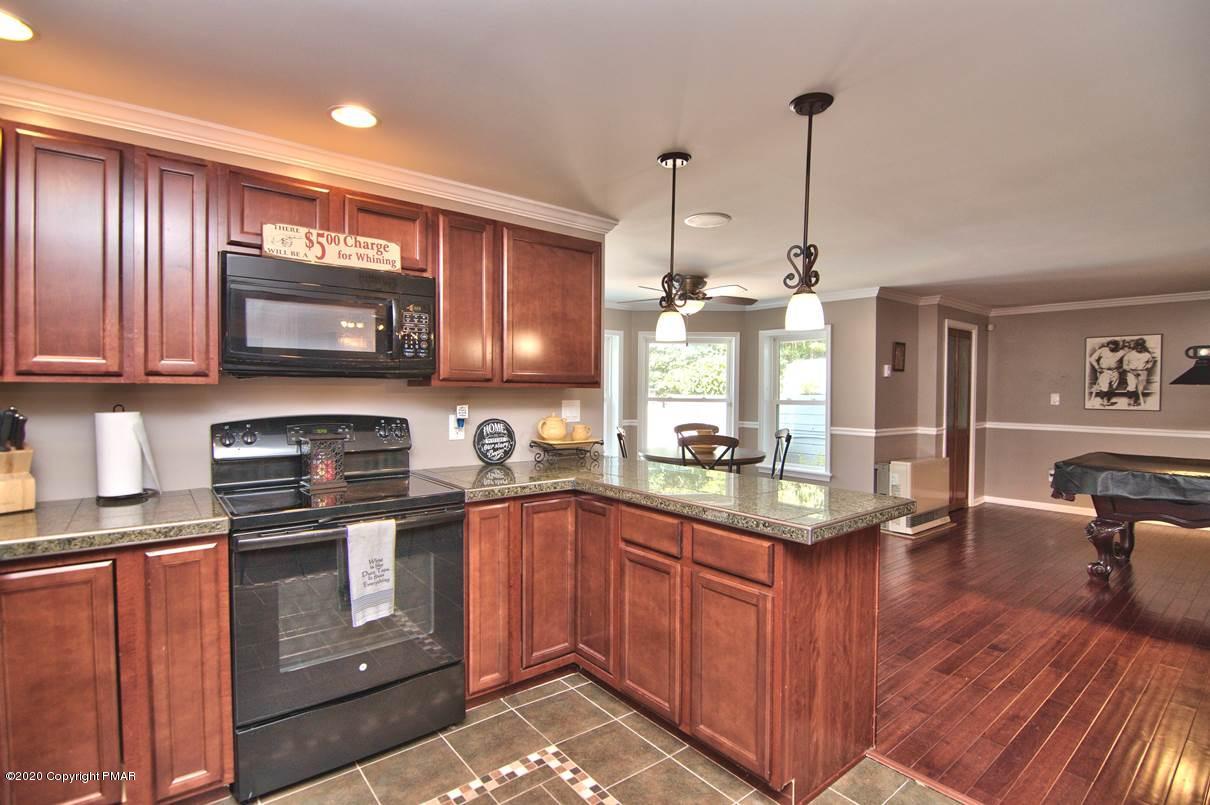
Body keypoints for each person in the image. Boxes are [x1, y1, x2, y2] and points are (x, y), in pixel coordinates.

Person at [1088, 339, 1126, 406]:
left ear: (1117, 346)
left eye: (1113, 346)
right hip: (1104, 371)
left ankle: (1107, 400)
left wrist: (1122, 368)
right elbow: (1092, 359)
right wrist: (1097, 367)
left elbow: (1127, 361)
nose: (1111, 348)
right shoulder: (1103, 350)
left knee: (1113, 387)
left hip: (1115, 371)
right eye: (1109, 346)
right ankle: (1104, 401)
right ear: (1108, 345)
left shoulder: (1122, 352)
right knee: (1104, 386)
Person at [1122, 338, 1156, 407]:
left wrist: (1146, 367)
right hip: (1131, 372)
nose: (1139, 348)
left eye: (1141, 346)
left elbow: (1150, 362)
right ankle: (1130, 400)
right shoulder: (1129, 354)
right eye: (1138, 346)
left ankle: (1136, 399)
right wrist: (1132, 371)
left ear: (1143, 346)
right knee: (1132, 386)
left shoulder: (1147, 355)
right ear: (1135, 346)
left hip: (1142, 372)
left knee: (1140, 388)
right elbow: (1125, 365)